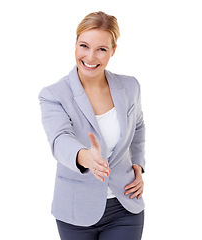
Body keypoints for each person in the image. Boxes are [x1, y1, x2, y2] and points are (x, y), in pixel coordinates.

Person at [39, 11, 145, 240]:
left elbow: (138, 127)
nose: (90, 56)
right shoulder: (53, 94)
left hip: (125, 206)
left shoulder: (130, 87)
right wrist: (85, 157)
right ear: (75, 44)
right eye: (84, 46)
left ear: (113, 51)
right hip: (76, 210)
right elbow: (59, 139)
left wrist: (138, 164)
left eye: (101, 49)